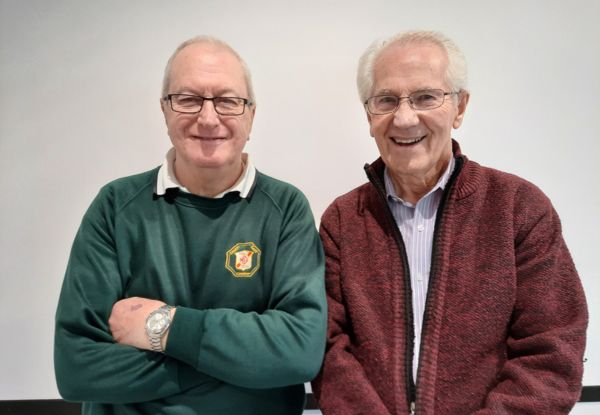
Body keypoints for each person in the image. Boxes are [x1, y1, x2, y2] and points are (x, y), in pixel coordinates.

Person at [312, 30, 588, 415]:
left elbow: (552, 349)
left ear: (460, 107)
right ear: (368, 115)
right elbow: (327, 346)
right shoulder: (342, 220)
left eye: (426, 97)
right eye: (386, 100)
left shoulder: (519, 209)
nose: (405, 118)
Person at [54, 36, 327, 415]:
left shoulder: (285, 209)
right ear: (165, 110)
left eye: (228, 101)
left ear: (250, 114)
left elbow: (299, 352)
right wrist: (233, 362)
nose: (209, 117)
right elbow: (76, 368)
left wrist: (162, 327)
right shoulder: (115, 207)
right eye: (188, 99)